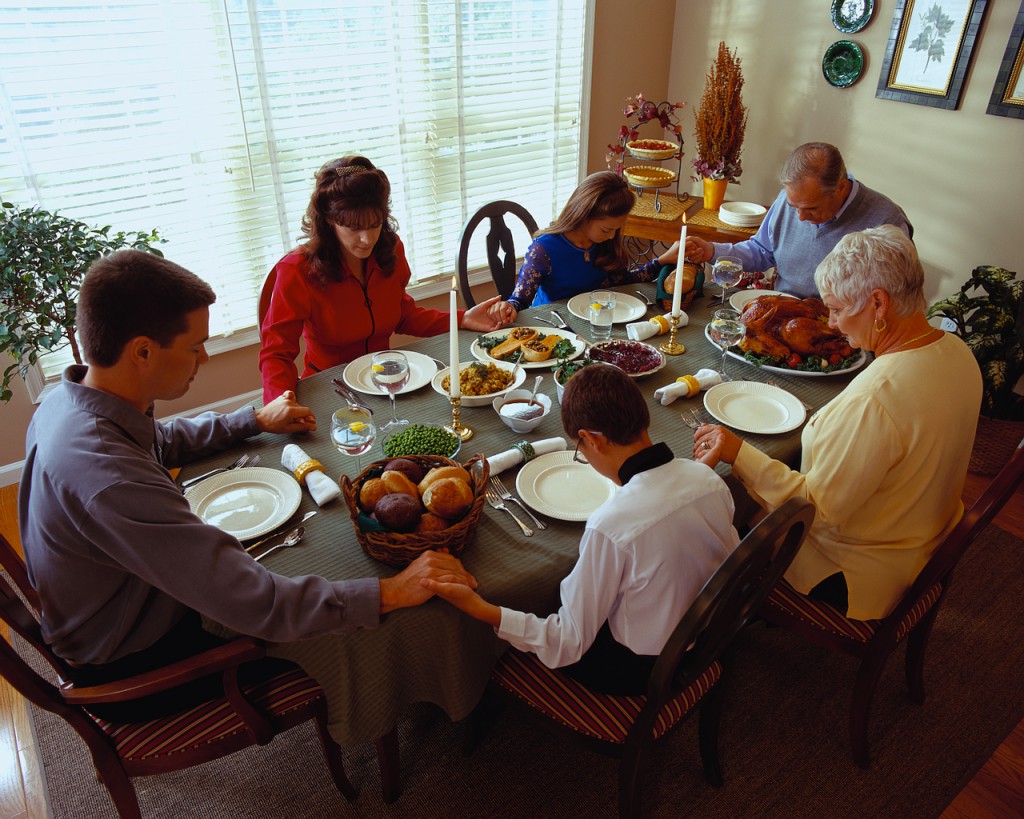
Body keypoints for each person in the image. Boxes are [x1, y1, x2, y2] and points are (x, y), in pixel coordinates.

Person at [20, 249, 476, 720]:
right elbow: (259, 603)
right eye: (196, 345)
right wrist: (393, 591)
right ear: (142, 351)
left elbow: (160, 440)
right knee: (355, 623)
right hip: (134, 658)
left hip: (111, 605)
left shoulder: (68, 400)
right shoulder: (109, 480)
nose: (204, 356)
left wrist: (254, 419)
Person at [692, 226, 982, 621]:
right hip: (922, 538)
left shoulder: (876, 398)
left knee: (717, 515)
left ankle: (711, 628)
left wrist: (736, 452)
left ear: (879, 304)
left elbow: (813, 509)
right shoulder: (955, 351)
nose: (832, 323)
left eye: (839, 309)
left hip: (858, 570)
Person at [422, 364, 739, 695]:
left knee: (541, 615)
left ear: (590, 439)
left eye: (579, 448)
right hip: (708, 629)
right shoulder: (707, 477)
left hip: (641, 667)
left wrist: (479, 608)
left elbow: (567, 644)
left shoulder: (612, 524)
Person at [259, 155, 505, 404]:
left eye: (375, 224)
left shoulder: (392, 249)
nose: (367, 239)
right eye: (354, 228)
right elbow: (276, 353)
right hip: (330, 388)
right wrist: (280, 401)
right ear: (329, 221)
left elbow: (402, 315)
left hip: (387, 381)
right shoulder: (297, 270)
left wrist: (461, 318)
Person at [685, 142, 912, 300]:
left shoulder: (886, 220)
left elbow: (893, 298)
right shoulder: (788, 199)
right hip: (782, 312)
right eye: (795, 208)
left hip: (844, 331)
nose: (801, 218)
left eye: (811, 208)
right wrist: (712, 251)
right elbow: (762, 251)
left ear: (841, 187)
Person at [491, 171, 681, 323]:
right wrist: (507, 306)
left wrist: (662, 261)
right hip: (553, 324)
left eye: (617, 229)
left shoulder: (605, 242)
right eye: (607, 228)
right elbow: (520, 300)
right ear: (584, 215)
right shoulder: (544, 250)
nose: (613, 235)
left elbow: (625, 281)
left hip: (597, 322)